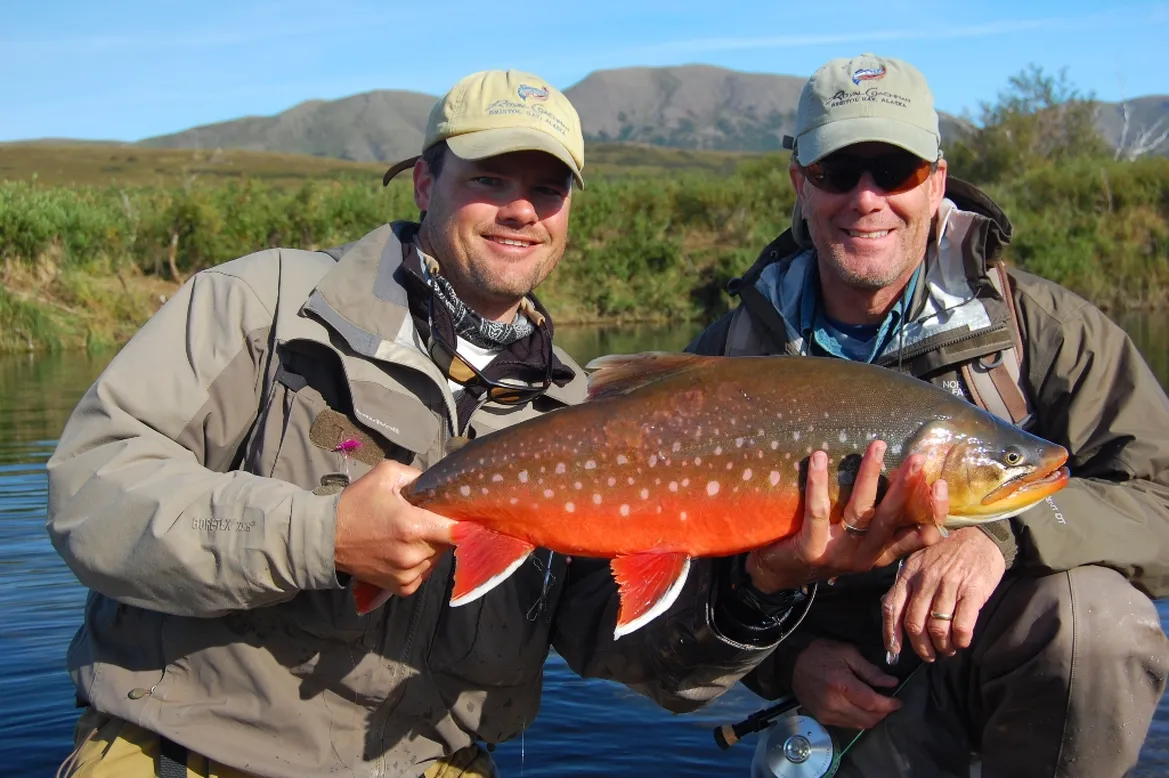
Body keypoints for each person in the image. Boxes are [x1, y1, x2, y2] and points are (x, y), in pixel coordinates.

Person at [47, 68, 942, 778]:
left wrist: (762, 587)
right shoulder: (264, 307)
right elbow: (89, 493)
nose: (521, 209)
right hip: (183, 753)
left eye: (547, 189)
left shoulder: (585, 412)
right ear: (425, 180)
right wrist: (319, 536)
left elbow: (633, 654)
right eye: (489, 179)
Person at [688, 52, 1169, 778]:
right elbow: (675, 582)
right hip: (851, 689)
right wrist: (788, 664)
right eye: (837, 172)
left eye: (895, 171)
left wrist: (1001, 533)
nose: (866, 198)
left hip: (1016, 656)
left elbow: (1158, 498)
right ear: (800, 185)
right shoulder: (730, 356)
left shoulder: (1043, 330)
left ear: (936, 181)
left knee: (1099, 621)